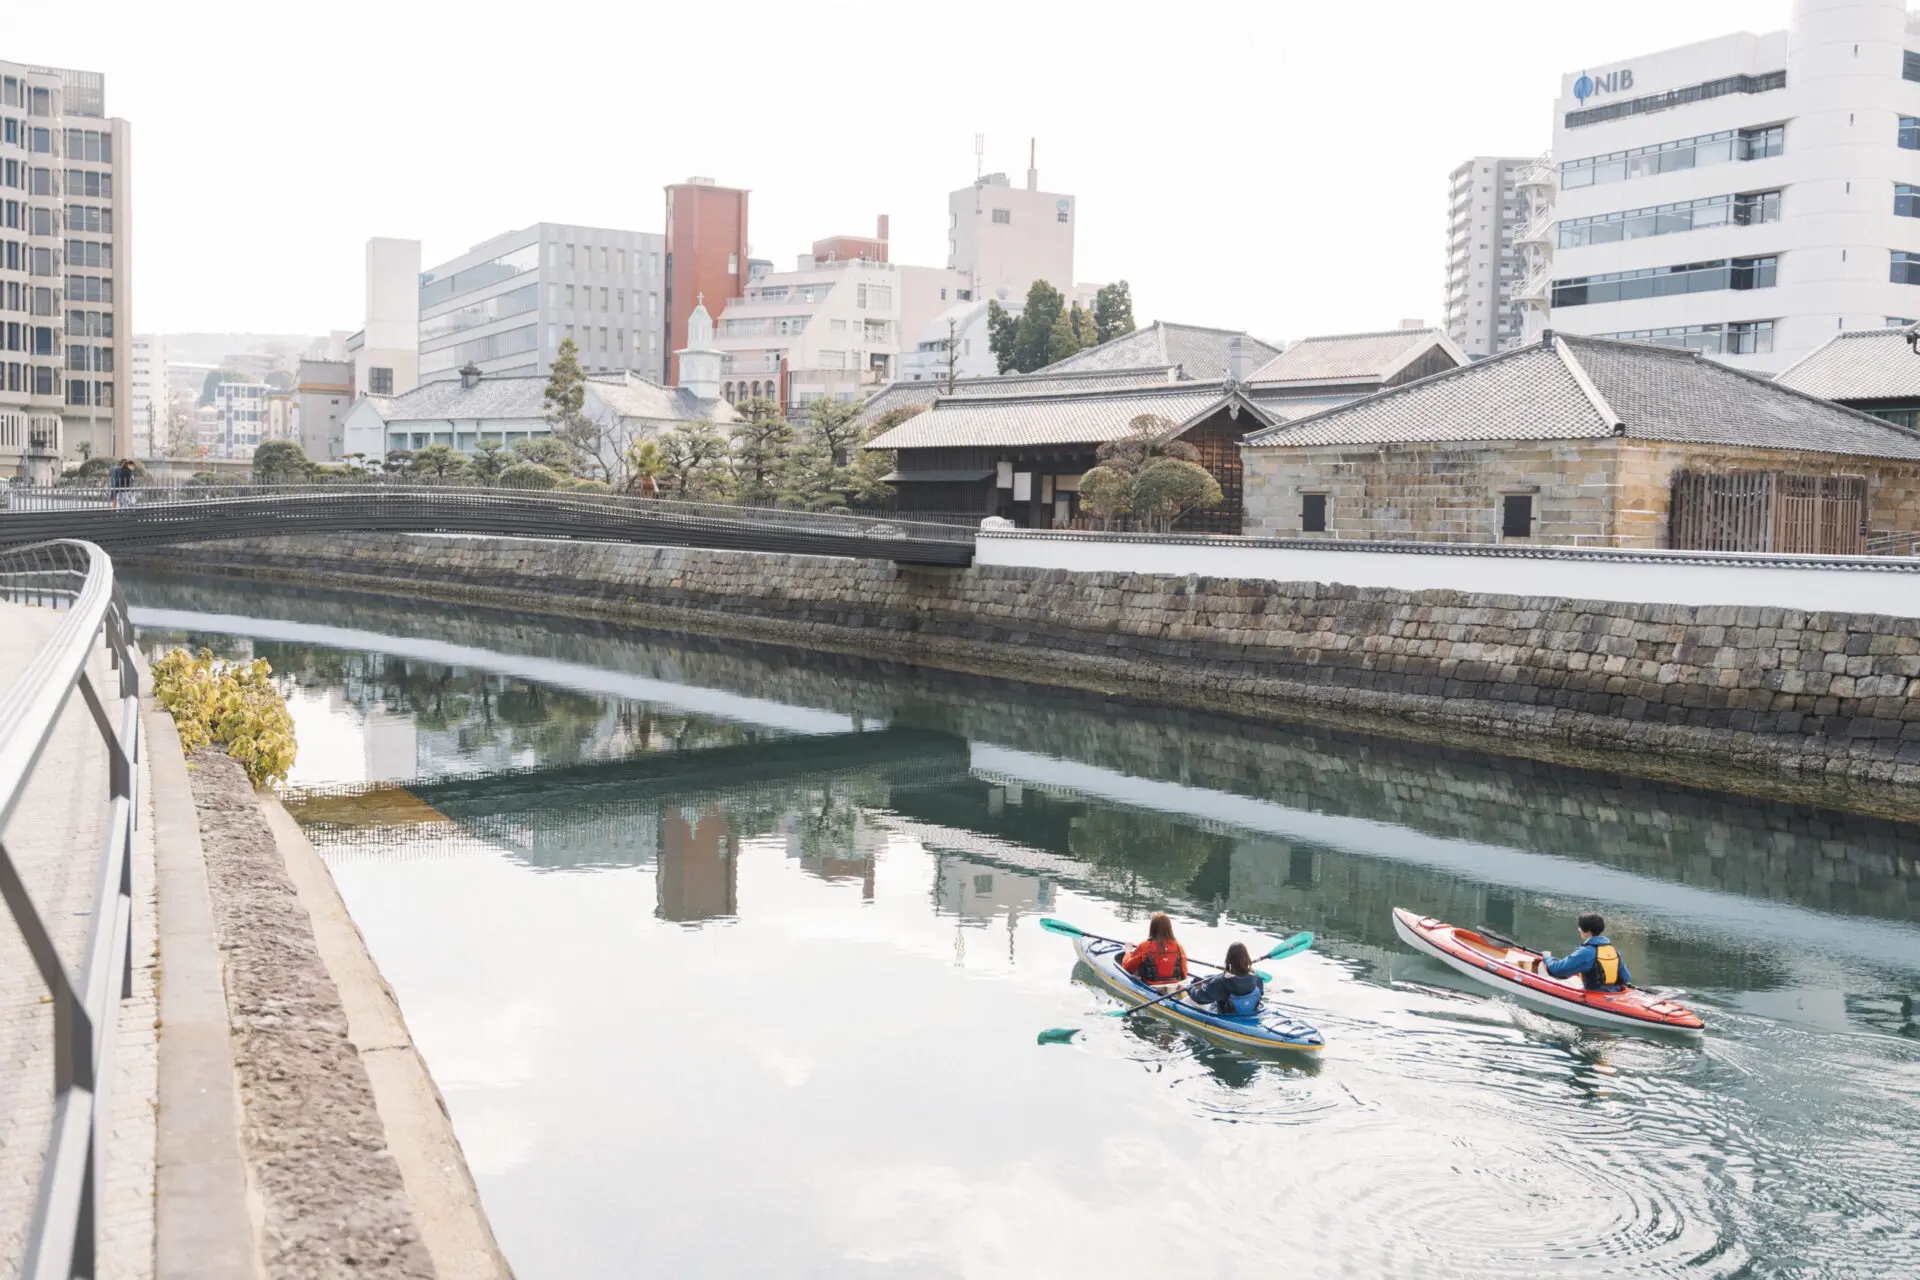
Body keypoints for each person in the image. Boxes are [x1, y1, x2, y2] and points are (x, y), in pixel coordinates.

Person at [1537, 913, 1631, 992]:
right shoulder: (1612, 950)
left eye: (1580, 927)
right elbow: (1625, 977)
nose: (1578, 929)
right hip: (1614, 992)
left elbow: (1558, 970)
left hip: (1594, 995)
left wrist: (1546, 957)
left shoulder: (1586, 952)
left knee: (1542, 965)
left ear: (1587, 932)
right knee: (1575, 978)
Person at [1186, 942, 1264, 1016]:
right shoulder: (1258, 979)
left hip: (1226, 1017)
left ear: (1228, 960)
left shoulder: (1219, 982)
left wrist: (1189, 988)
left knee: (1210, 1000)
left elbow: (1199, 999)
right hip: (1251, 1015)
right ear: (1247, 958)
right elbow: (1261, 994)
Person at [1120, 912, 1189, 991]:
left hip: (1152, 988)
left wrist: (1128, 951)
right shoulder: (1178, 946)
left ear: (1152, 928)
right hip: (1174, 987)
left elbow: (1127, 967)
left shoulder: (1145, 946)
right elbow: (1184, 971)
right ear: (1169, 927)